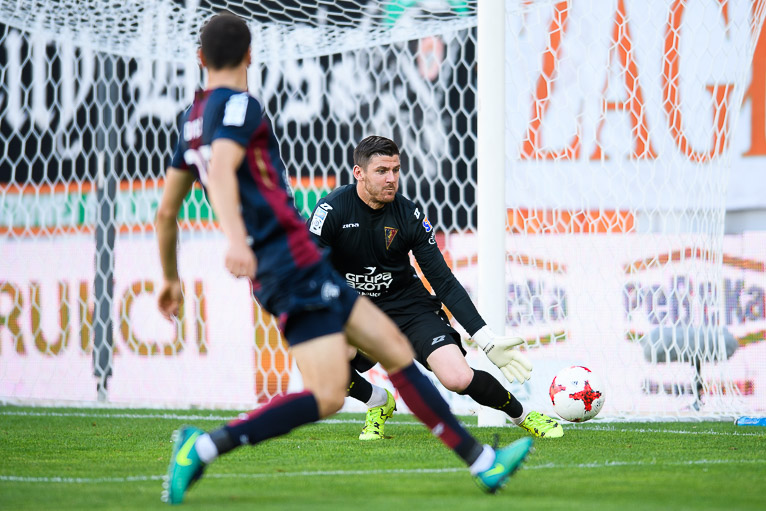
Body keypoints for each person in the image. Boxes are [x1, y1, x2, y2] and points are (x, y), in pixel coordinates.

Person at [155, 12, 532, 505]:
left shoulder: (191, 121)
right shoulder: (241, 106)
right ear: (249, 56)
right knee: (348, 380)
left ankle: (482, 462)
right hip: (289, 261)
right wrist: (237, 240)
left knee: (354, 377)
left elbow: (167, 213)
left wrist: (170, 278)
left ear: (200, 58)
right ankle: (203, 447)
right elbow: (224, 171)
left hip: (281, 271)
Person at [307, 135, 564, 441]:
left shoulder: (408, 214)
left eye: (396, 170)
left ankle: (523, 415)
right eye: (381, 171)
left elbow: (442, 279)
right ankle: (377, 401)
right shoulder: (331, 210)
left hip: (408, 308)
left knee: (457, 377)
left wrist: (485, 339)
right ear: (358, 173)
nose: (391, 179)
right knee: (323, 354)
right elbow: (309, 270)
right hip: (357, 308)